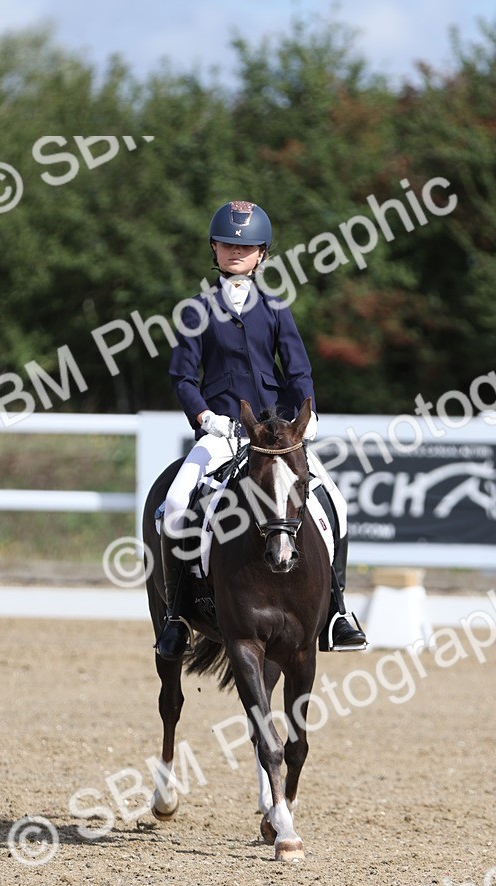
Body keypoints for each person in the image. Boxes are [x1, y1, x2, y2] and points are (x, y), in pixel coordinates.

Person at [155, 199, 367, 661]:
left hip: (274, 437)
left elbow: (298, 372)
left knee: (339, 505)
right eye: (228, 244)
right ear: (213, 249)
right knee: (174, 504)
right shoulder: (196, 310)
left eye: (246, 246)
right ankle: (175, 616)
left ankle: (337, 612)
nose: (236, 252)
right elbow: (182, 377)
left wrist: (303, 418)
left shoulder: (275, 309)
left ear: (262, 254)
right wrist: (204, 417)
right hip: (220, 432)